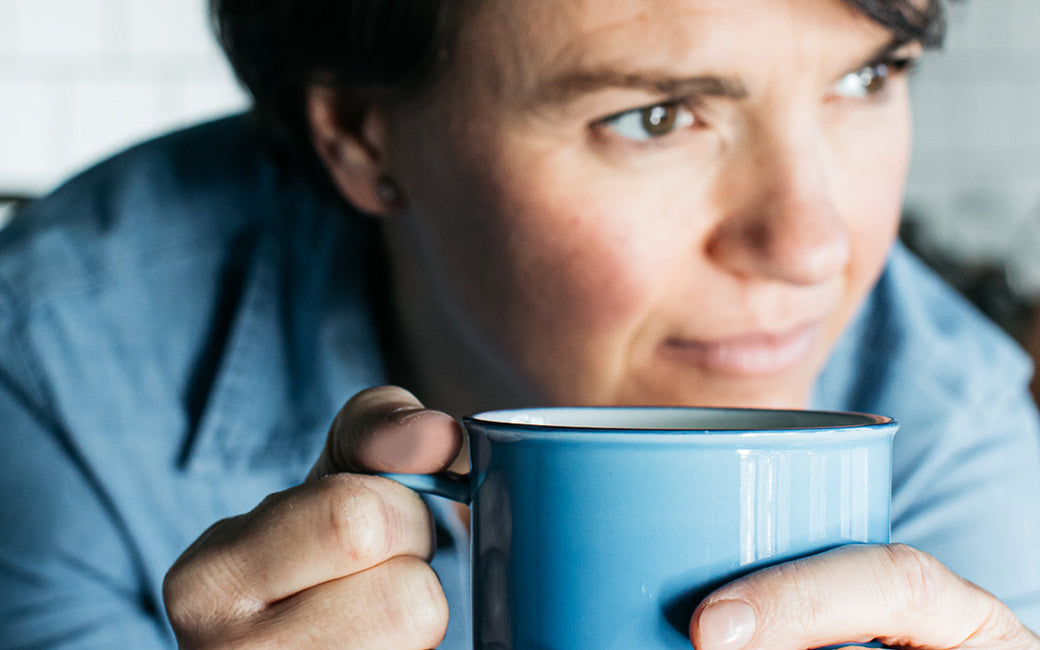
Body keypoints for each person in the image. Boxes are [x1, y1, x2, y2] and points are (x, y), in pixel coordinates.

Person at [1, 0, 1039, 647]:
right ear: (363, 136)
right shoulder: (57, 378)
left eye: (866, 76)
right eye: (653, 115)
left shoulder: (953, 426)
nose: (814, 246)